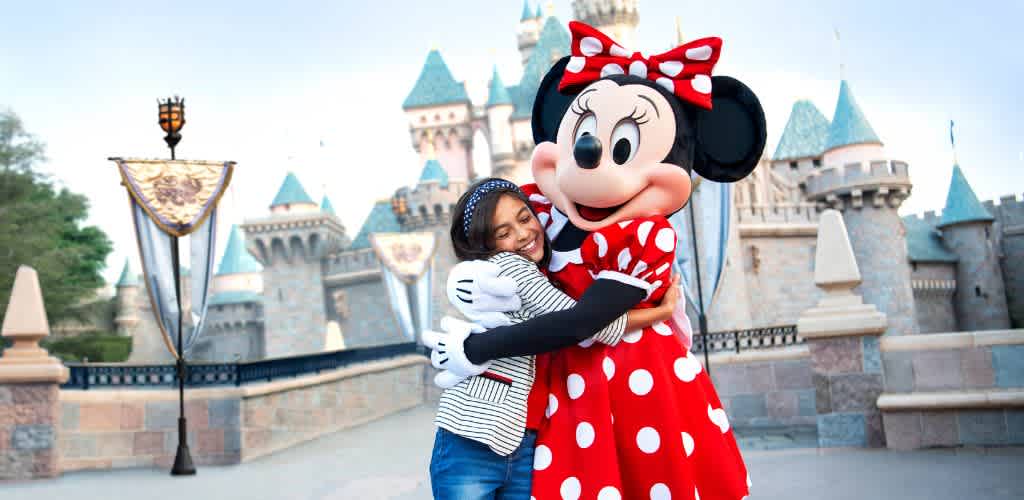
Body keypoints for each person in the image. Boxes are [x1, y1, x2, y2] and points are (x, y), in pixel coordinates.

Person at [426, 21, 767, 499]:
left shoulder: (643, 236)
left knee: (647, 479)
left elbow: (584, 320)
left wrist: (475, 348)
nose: (591, 157)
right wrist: (465, 279)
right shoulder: (541, 213)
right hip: (561, 396)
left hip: (639, 383)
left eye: (620, 147)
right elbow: (487, 235)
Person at [426, 177, 680, 500]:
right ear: (487, 247)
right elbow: (583, 323)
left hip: (521, 442)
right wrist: (661, 311)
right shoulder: (511, 267)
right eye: (503, 233)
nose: (523, 234)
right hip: (474, 439)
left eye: (524, 218)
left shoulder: (536, 271)